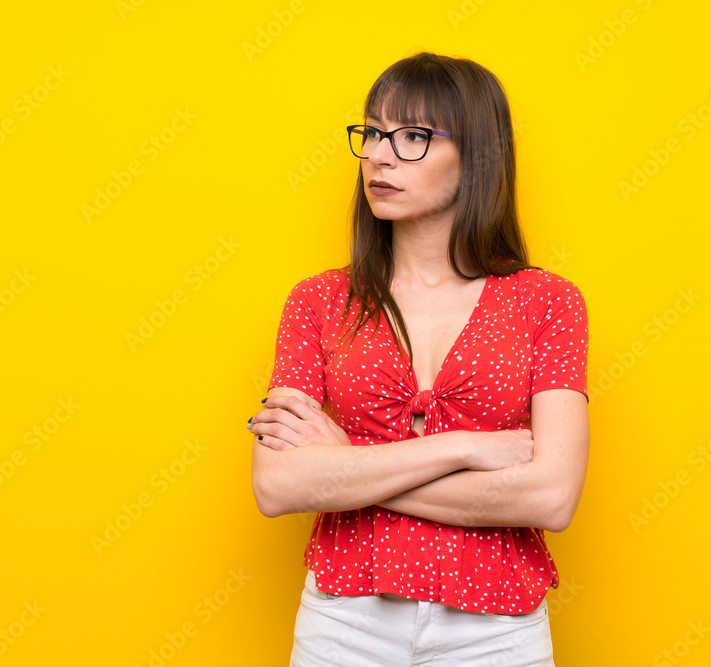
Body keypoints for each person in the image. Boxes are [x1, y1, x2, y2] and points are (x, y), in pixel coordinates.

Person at [248, 51, 590, 666]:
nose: (379, 155)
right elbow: (277, 485)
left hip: (497, 629)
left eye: (412, 137)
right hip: (343, 624)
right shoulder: (319, 300)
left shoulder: (547, 302)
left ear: (477, 155)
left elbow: (551, 497)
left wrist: (345, 465)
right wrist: (460, 448)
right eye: (373, 133)